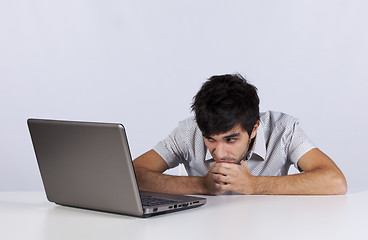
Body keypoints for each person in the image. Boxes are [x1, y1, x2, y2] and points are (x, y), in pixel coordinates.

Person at [133, 74, 347, 195]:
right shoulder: (189, 130)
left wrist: (253, 184)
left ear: (254, 128)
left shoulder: (283, 130)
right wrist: (201, 185)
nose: (220, 152)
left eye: (231, 139)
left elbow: (335, 181)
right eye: (210, 139)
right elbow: (132, 174)